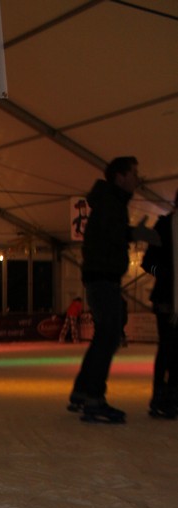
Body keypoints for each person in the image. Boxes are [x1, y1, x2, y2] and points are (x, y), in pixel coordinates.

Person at [67, 156, 159, 423]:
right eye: (134, 173)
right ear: (120, 177)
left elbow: (108, 233)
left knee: (103, 338)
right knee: (108, 338)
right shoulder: (111, 203)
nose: (137, 179)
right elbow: (108, 235)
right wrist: (133, 234)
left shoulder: (110, 202)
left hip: (101, 278)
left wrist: (131, 233)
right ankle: (94, 399)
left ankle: (82, 392)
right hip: (103, 278)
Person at [142, 190, 178, 419]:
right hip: (166, 299)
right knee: (167, 348)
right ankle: (161, 396)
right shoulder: (164, 226)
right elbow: (147, 262)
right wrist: (163, 273)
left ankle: (171, 396)